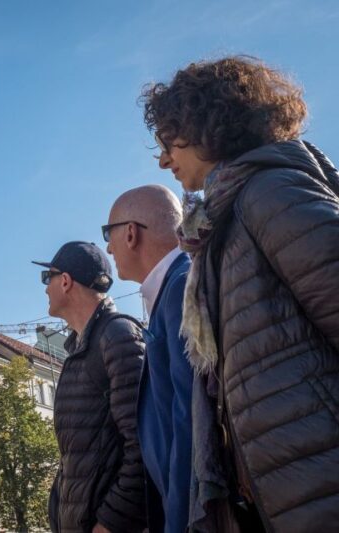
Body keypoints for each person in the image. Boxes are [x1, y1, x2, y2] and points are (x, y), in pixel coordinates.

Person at [142, 56, 339, 532]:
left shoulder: (269, 192)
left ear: (206, 127)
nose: (163, 160)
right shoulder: (224, 220)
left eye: (168, 142)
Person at [34, 241, 146, 533]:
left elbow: (143, 446)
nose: (45, 289)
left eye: (48, 278)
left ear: (66, 281)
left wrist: (109, 523)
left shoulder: (117, 336)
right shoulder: (82, 347)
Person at [104, 185, 192, 533]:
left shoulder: (180, 287)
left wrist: (178, 522)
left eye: (108, 234)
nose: (108, 248)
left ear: (130, 233)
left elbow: (189, 424)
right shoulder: (172, 287)